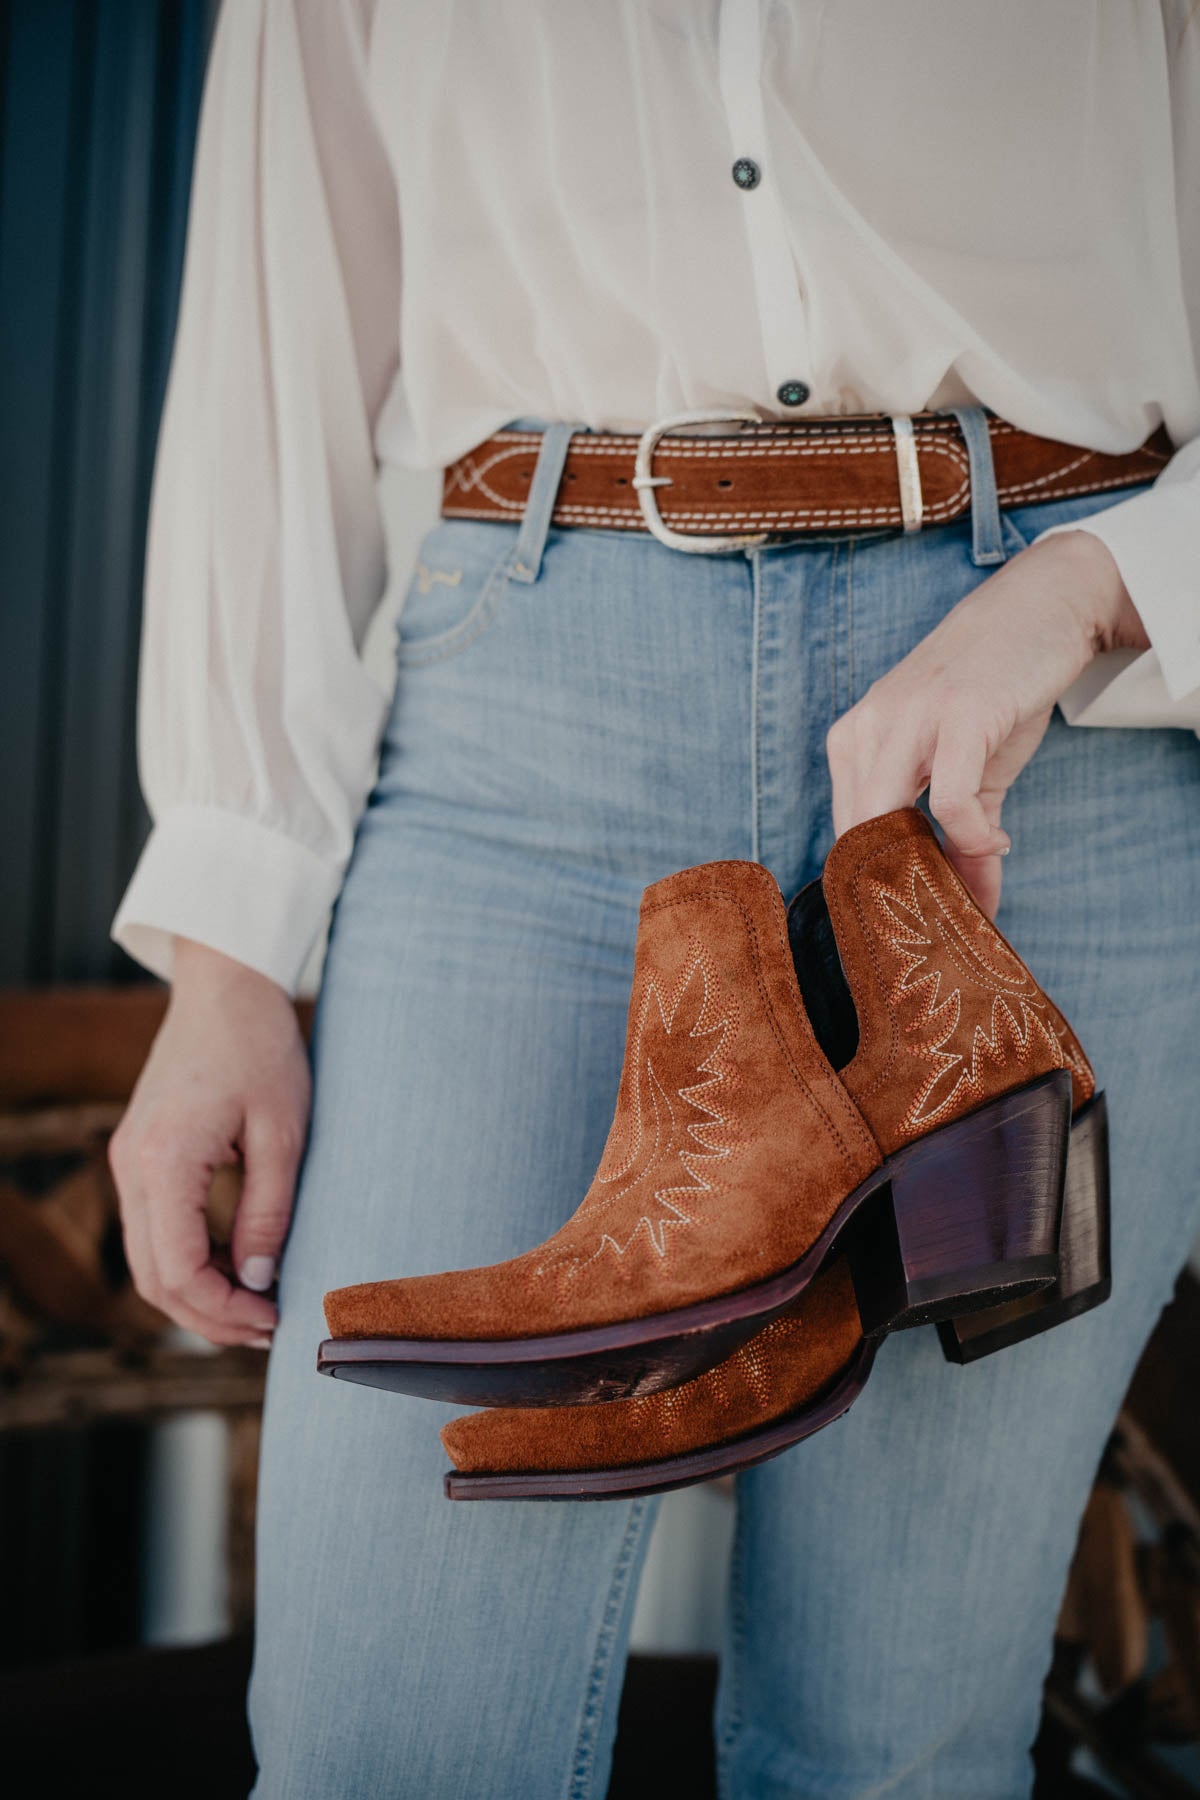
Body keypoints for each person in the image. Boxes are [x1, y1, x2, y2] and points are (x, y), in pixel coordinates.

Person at [107, 4, 1200, 1795]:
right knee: (392, 1746)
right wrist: (227, 954)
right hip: (529, 717)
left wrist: (1100, 584)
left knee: (895, 1754)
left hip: (1052, 708)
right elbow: (273, 321)